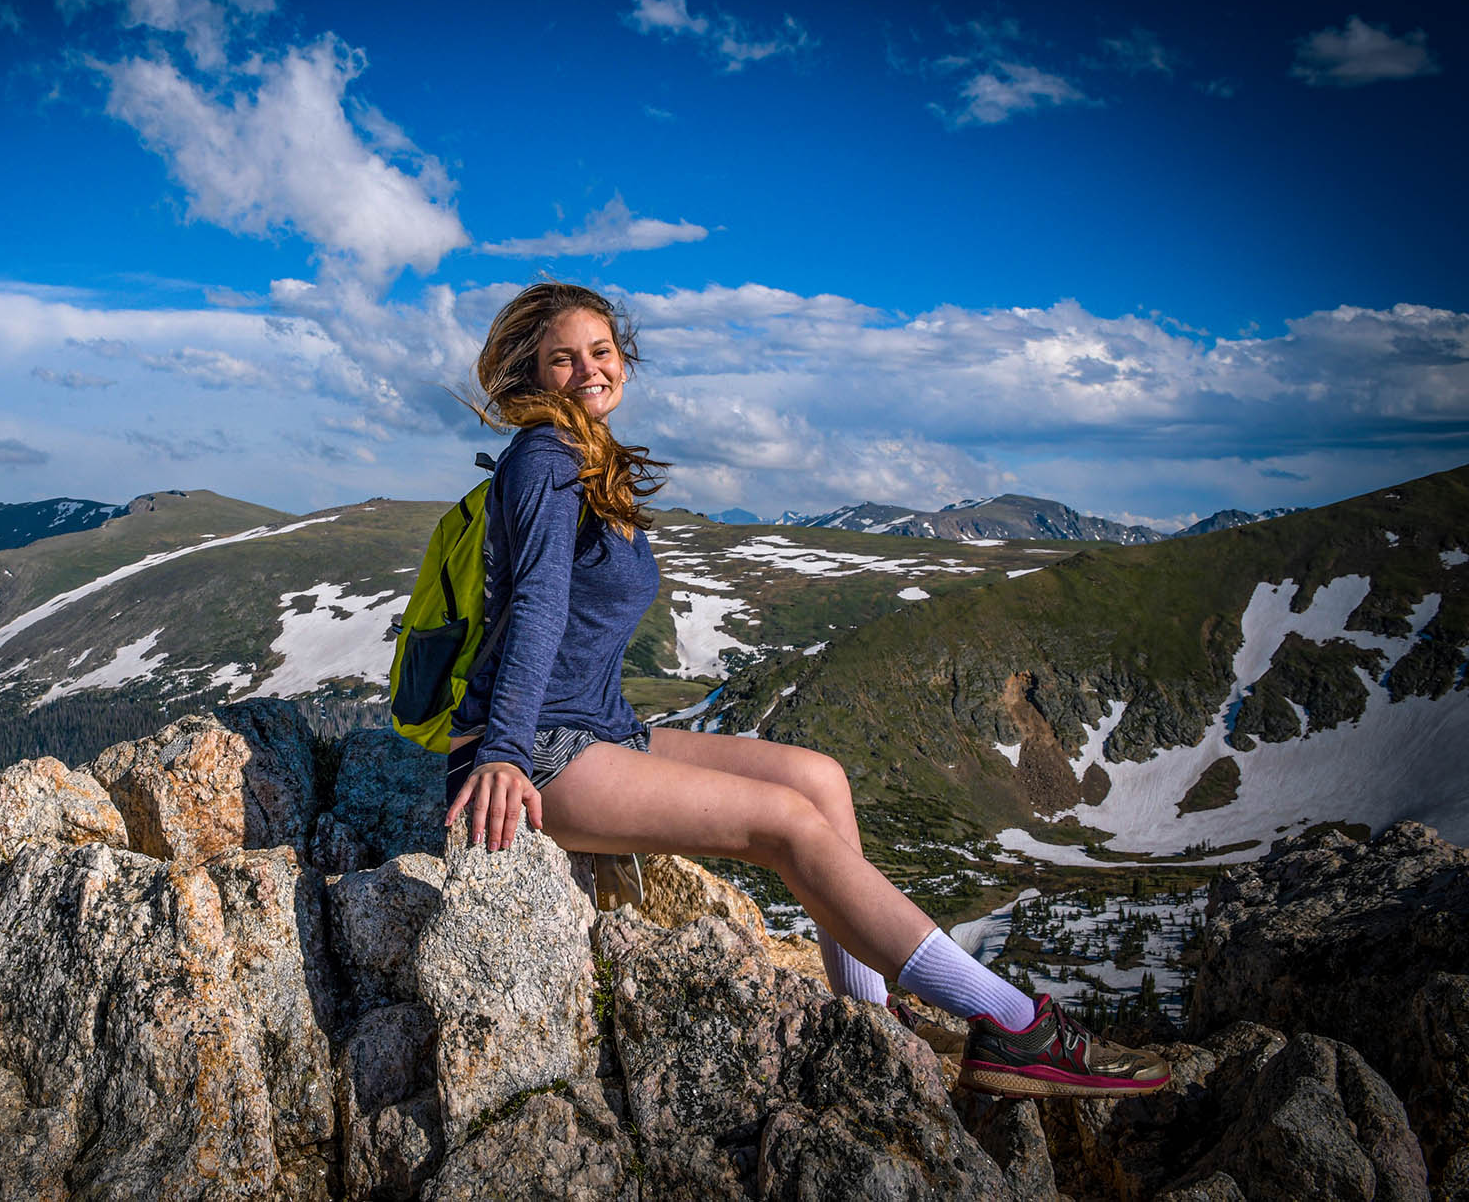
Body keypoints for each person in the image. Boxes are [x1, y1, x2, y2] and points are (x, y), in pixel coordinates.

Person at [442, 281, 1169, 1100]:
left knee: (817, 778)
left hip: (598, 729)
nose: (586, 370)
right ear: (535, 374)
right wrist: (501, 752)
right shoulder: (547, 456)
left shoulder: (590, 458)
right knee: (785, 823)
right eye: (562, 358)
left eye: (600, 351)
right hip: (539, 750)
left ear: (624, 359)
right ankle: (1013, 1026)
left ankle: (868, 1021)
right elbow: (537, 600)